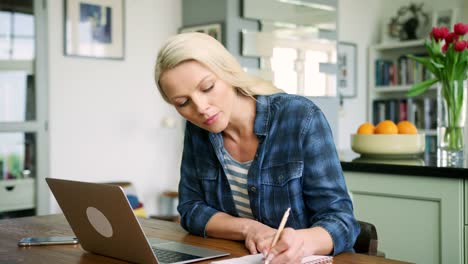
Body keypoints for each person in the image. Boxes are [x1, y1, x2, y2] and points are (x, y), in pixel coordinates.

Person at [154, 32, 359, 263]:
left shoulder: (301, 117)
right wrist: (250, 229)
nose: (200, 108)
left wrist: (300, 244)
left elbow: (341, 220)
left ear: (228, 73)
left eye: (207, 87)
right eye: (183, 103)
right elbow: (191, 210)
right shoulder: (198, 131)